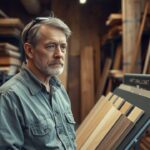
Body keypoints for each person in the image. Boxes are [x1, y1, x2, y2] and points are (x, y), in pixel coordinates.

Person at [0, 17, 76, 150]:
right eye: (51, 46)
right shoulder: (9, 97)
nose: (59, 54)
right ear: (29, 50)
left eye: (63, 47)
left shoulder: (59, 90)